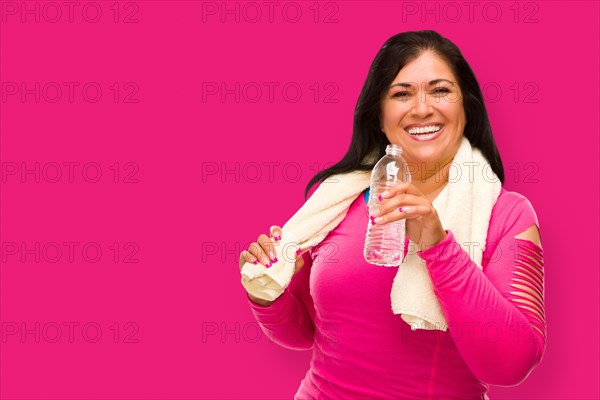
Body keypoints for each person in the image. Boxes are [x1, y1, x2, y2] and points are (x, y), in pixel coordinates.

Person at [238, 30, 546, 399]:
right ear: (379, 117)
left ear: (468, 108)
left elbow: (512, 364)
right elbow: (305, 332)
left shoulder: (508, 215)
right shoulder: (334, 201)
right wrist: (266, 295)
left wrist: (437, 247)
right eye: (401, 94)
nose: (421, 108)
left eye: (440, 90)